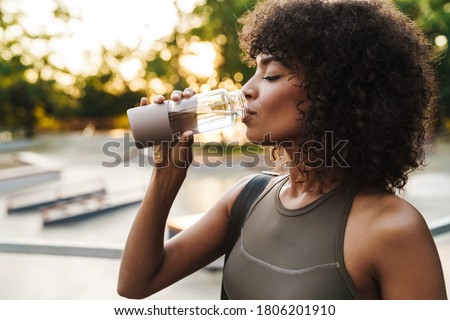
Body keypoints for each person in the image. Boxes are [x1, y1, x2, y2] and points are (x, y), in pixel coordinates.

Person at [117, 0, 447, 299]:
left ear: (333, 93)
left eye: (272, 74)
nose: (246, 89)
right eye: (255, 71)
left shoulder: (394, 229)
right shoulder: (247, 197)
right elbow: (136, 283)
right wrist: (166, 175)